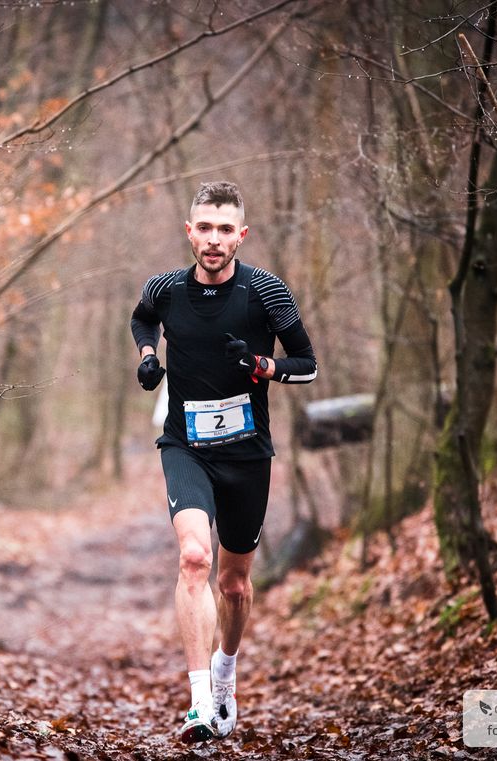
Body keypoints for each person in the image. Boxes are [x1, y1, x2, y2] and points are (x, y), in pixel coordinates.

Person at [130, 181, 317, 743]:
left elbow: (306, 363)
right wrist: (147, 355)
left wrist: (264, 366)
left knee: (234, 584)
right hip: (184, 446)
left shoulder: (266, 291)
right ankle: (199, 704)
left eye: (225, 229)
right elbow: (142, 320)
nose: (214, 240)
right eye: (204, 228)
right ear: (190, 232)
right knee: (193, 558)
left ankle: (225, 677)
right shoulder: (164, 289)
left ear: (242, 235)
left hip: (246, 455)